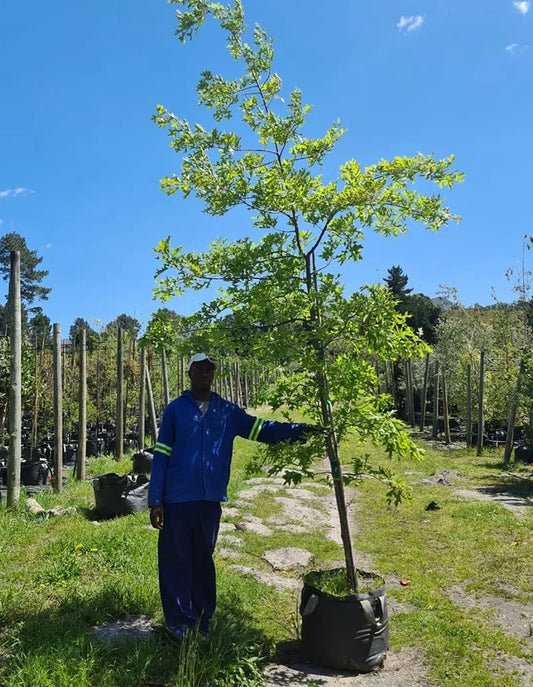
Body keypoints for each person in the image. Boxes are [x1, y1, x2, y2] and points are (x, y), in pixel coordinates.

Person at [148, 352, 311, 639]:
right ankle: (178, 624)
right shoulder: (175, 410)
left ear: (213, 375)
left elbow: (261, 429)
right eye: (199, 369)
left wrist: (301, 431)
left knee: (202, 561)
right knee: (175, 561)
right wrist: (155, 499)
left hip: (209, 501)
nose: (204, 374)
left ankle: (201, 620)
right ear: (189, 373)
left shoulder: (227, 412)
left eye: (209, 370)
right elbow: (161, 455)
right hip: (177, 500)